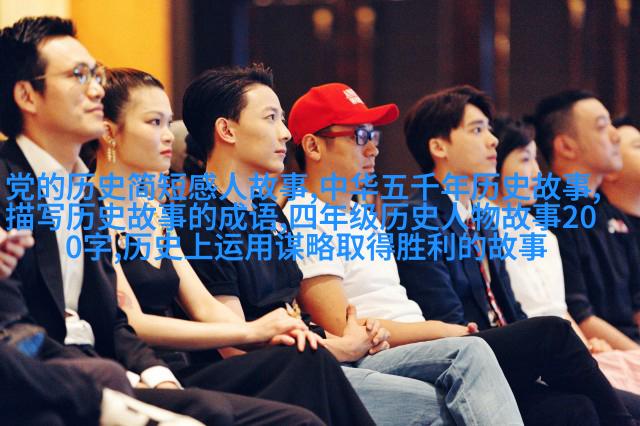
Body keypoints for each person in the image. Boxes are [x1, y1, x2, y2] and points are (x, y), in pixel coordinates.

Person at [0, 15, 326, 425]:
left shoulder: (84, 195)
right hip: (49, 380)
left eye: (95, 75)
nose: (96, 89)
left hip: (117, 369)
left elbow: (116, 323)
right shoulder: (13, 185)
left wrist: (156, 375)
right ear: (27, 96)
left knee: (299, 405)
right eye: (78, 75)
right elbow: (19, 329)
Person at [177, 65, 526, 425]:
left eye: (282, 119)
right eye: (270, 118)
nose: (285, 133)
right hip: (280, 375)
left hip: (313, 357)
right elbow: (233, 345)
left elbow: (296, 316)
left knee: (468, 386)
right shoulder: (201, 216)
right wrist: (340, 346)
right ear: (227, 130)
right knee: (457, 382)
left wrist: (357, 335)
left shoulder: (269, 213)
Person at [83, 66, 371, 426]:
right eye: (154, 122)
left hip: (180, 367)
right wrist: (254, 331)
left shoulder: (154, 213)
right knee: (308, 368)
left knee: (307, 359)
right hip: (135, 371)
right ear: (109, 132)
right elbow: (130, 321)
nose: (169, 135)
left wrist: (273, 330)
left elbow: (204, 306)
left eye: (169, 122)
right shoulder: (89, 207)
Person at [385, 85, 636, 425]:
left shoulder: (481, 217)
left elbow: (512, 310)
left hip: (501, 352)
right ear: (439, 147)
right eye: (477, 130)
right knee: (554, 333)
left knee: (585, 407)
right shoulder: (416, 217)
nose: (492, 141)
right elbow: (445, 320)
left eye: (490, 130)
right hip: (463, 352)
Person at [487, 117, 640, 395]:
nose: (536, 173)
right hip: (532, 355)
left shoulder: (544, 234)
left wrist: (586, 346)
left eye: (536, 160)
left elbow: (559, 309)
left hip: (566, 349)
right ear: (493, 163)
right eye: (524, 159)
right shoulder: (479, 226)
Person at [533, 90, 640, 348]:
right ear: (566, 146)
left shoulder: (610, 211)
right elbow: (579, 314)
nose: (616, 135)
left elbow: (637, 304)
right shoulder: (548, 211)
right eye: (602, 126)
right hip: (596, 350)